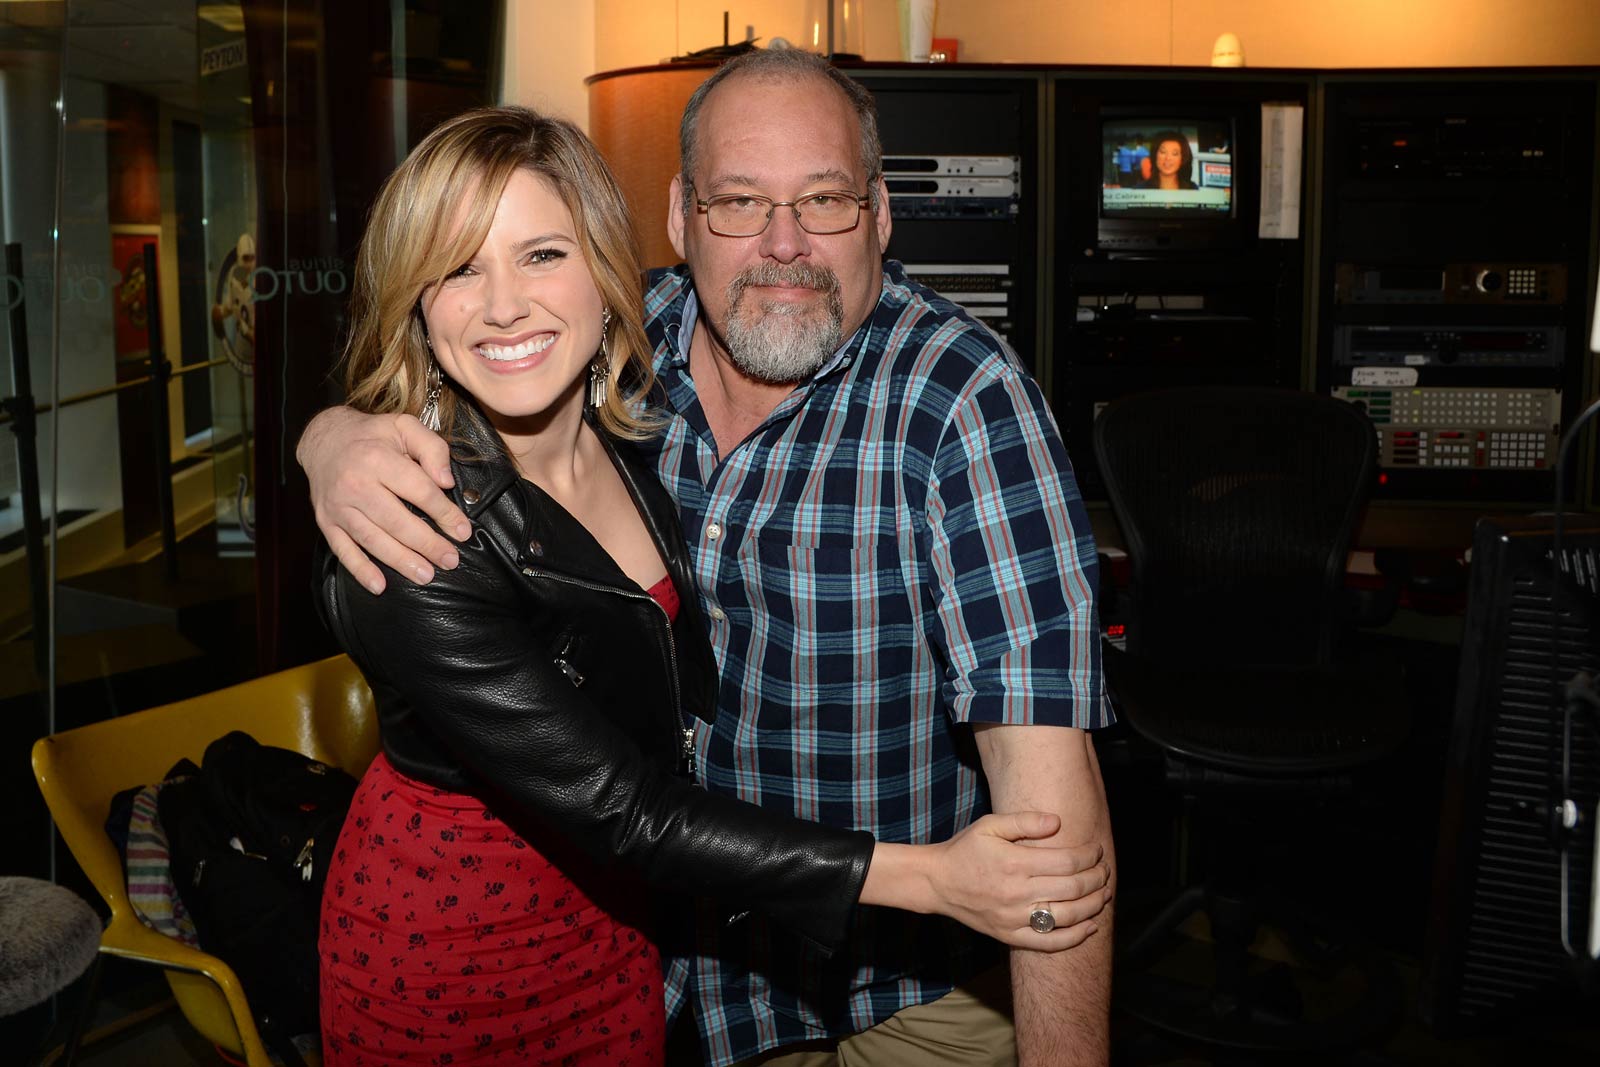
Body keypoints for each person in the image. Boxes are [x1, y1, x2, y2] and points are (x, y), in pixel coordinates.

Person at [300, 51, 1116, 1067]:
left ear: (881, 214)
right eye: (739, 202)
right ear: (681, 218)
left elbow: (1051, 823)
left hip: (887, 987)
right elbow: (624, 804)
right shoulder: (619, 350)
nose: (783, 245)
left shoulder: (959, 399)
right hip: (640, 958)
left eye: (823, 199)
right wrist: (333, 438)